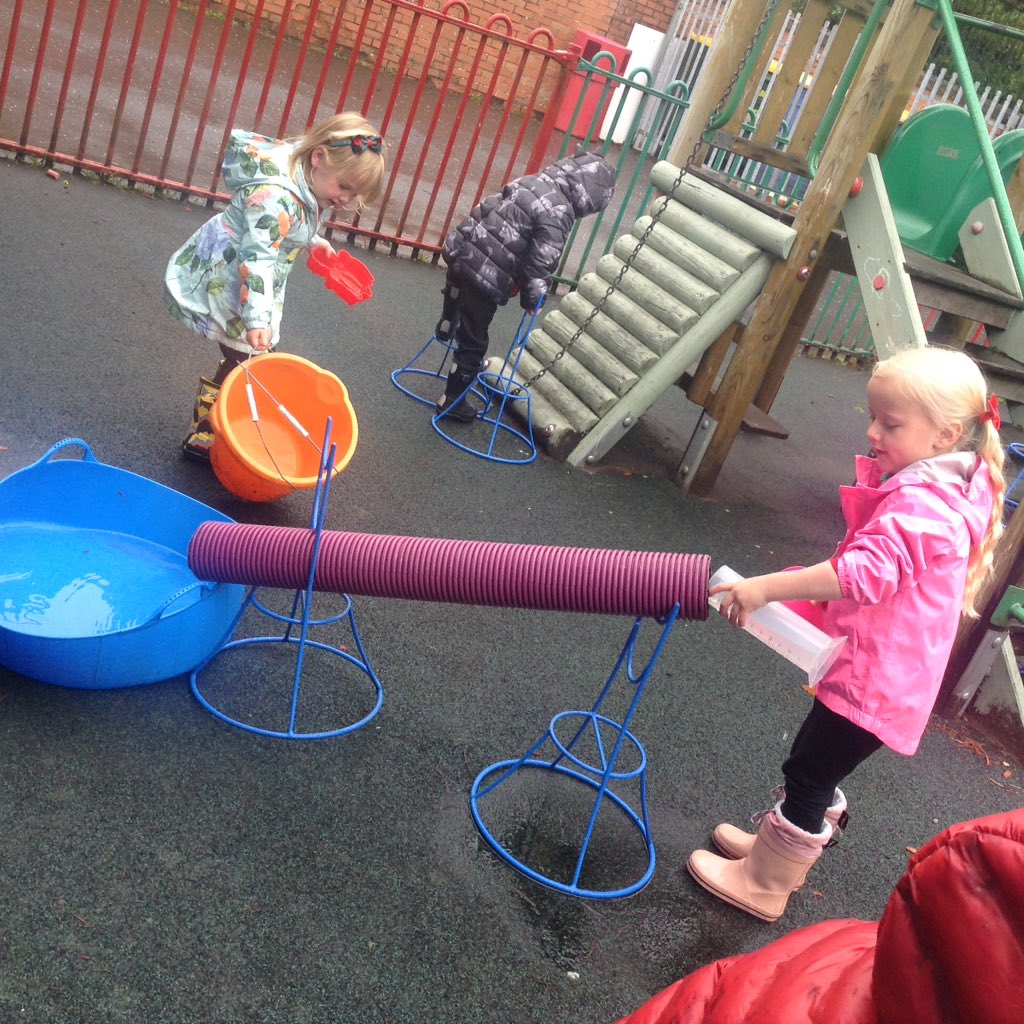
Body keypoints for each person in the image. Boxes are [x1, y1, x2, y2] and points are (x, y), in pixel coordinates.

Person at [690, 345, 1006, 923]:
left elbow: (861, 574)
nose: (872, 432)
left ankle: (765, 882)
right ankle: (775, 851)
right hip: (884, 671)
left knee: (809, 770)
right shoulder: (952, 483)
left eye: (891, 424)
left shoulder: (925, 504)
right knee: (817, 766)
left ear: (945, 434)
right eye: (873, 417)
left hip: (874, 677)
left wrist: (765, 588)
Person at [165, 112, 386, 460]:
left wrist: (311, 240)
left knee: (246, 360)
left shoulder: (307, 177)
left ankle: (214, 427)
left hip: (251, 277)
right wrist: (256, 320)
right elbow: (257, 259)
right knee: (249, 359)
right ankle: (205, 436)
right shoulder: (276, 196)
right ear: (318, 157)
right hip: (235, 276)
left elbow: (290, 222)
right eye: (344, 187)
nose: (346, 199)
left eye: (354, 193)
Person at [432, 148, 617, 421]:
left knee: (458, 294)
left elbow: (487, 207)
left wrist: (459, 240)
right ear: (588, 196)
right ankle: (451, 401)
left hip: (463, 251)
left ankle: (448, 321)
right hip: (486, 276)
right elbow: (541, 262)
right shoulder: (559, 210)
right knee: (474, 340)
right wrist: (533, 299)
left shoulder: (533, 180)